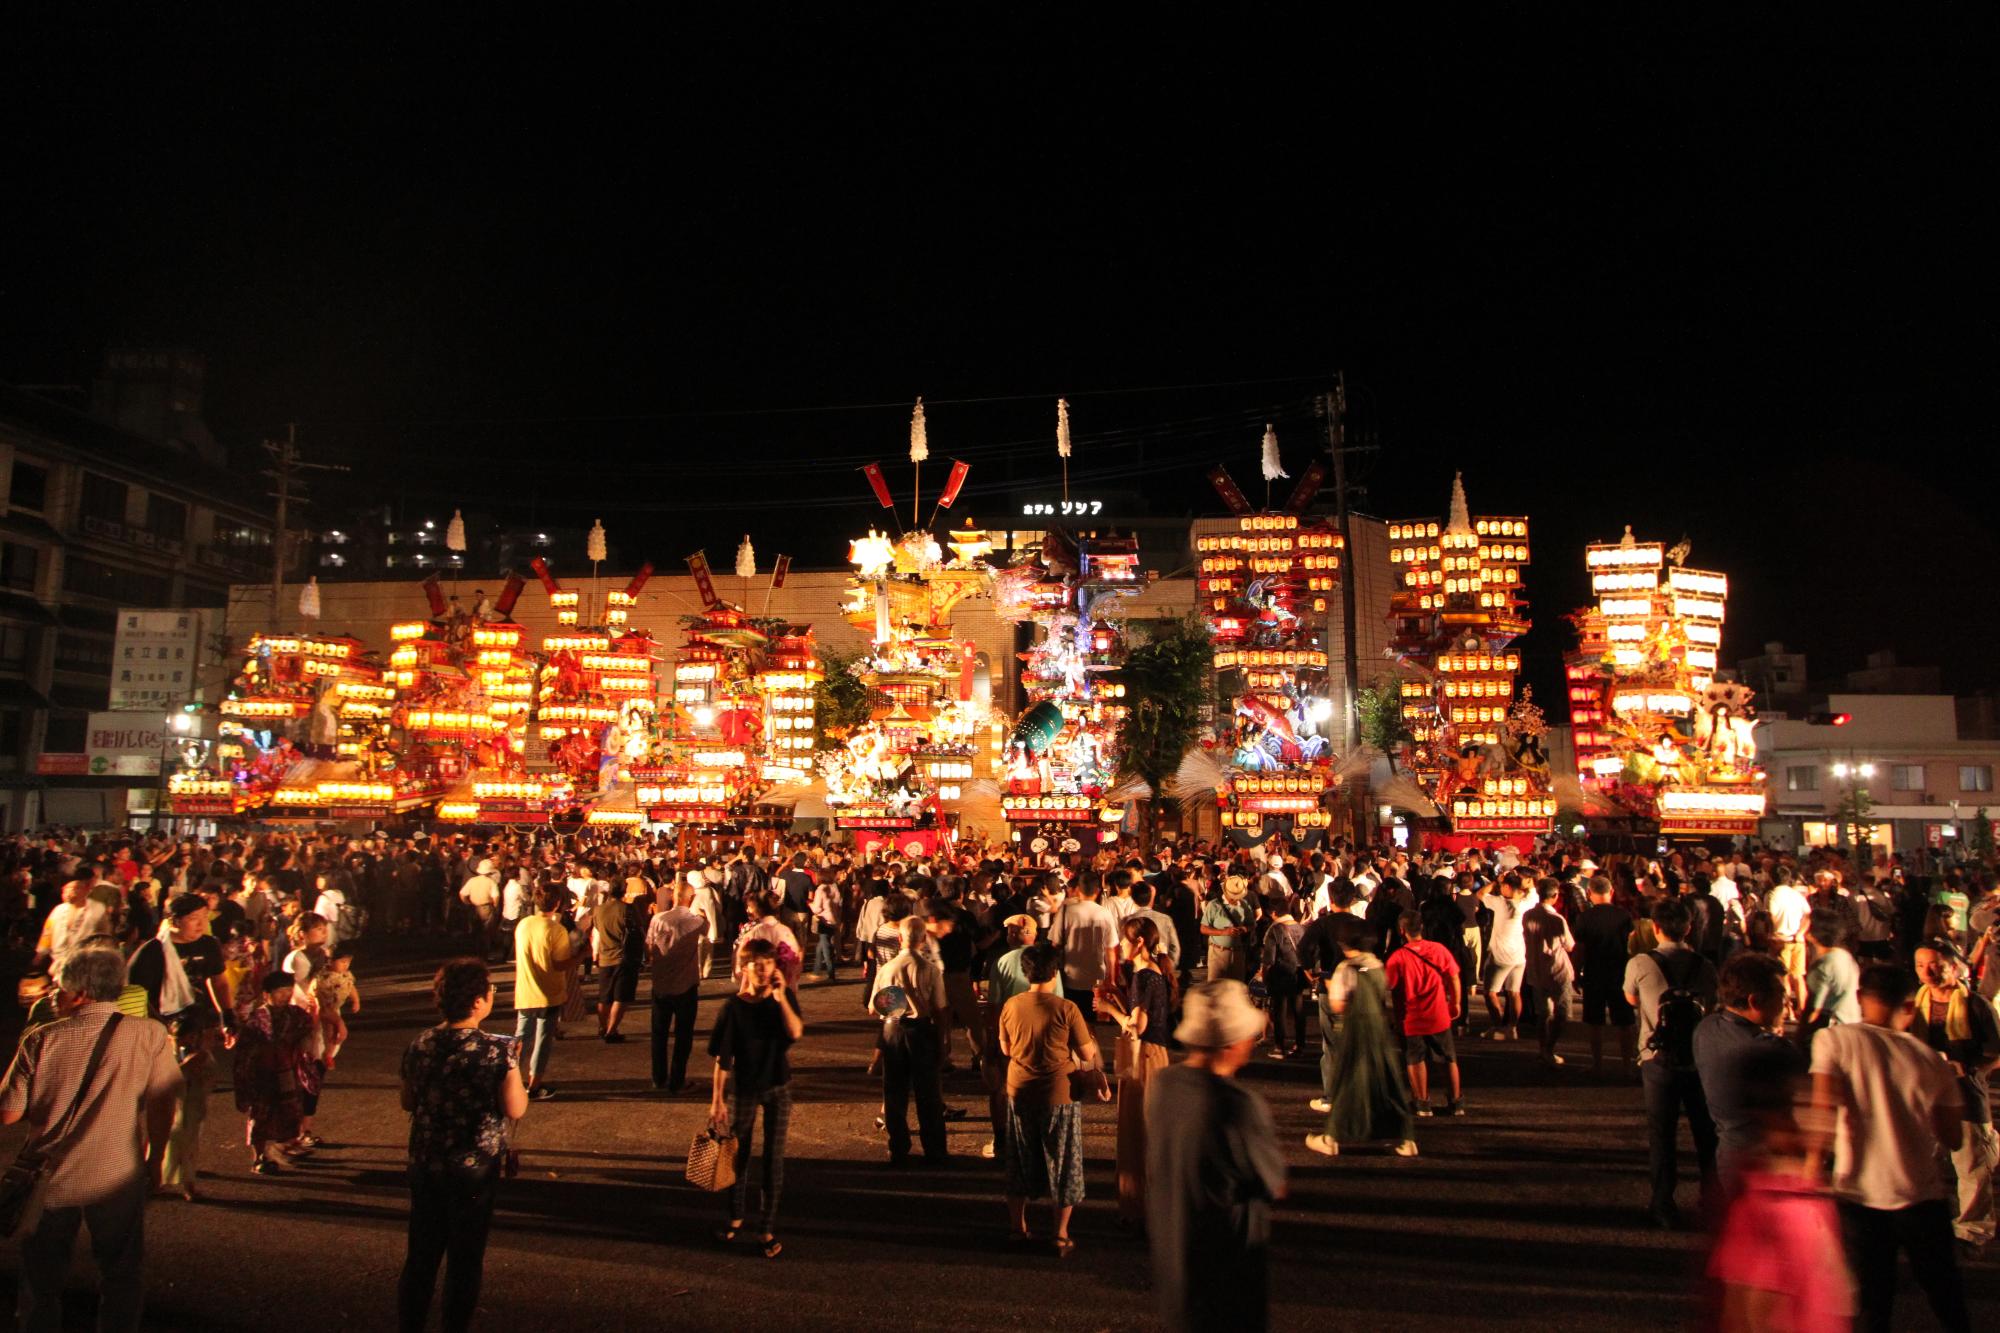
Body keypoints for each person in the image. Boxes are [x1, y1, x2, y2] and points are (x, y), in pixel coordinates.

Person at [1, 943, 181, 1333]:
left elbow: (8, 1112)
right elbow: (163, 1103)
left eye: (58, 988)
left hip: (51, 1176)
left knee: (41, 1276)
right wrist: (157, 1160)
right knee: (121, 1270)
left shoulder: (40, 1038)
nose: (53, 994)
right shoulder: (150, 1034)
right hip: (117, 1171)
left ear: (79, 993)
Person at [1808, 963, 1971, 1332]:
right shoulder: (1930, 1060)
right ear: (1909, 1006)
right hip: (1921, 1194)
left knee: (1871, 1304)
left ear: (1862, 998)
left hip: (1859, 1195)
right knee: (1947, 1297)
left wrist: (1810, 1173)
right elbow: (1953, 1138)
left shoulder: (1834, 1041)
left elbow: (1823, 1114)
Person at [1146, 981, 1286, 1333]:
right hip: (1228, 1263)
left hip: (1175, 1252)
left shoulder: (1164, 1085)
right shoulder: (1239, 1104)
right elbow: (1272, 1183)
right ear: (1231, 1043)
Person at [397, 958, 528, 1333]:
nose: (492, 996)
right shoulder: (495, 1051)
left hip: (426, 1160)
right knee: (464, 1259)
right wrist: (517, 1071)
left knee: (421, 1255)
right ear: (476, 1002)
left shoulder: (420, 1043)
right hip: (473, 1166)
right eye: (490, 990)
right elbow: (515, 1107)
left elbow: (408, 1100)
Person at [1705, 1041, 1856, 1331]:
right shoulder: (1766, 1206)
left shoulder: (1804, 1188)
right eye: (1808, 1105)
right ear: (1775, 1116)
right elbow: (1749, 1314)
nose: (1825, 1118)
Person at [998, 942, 1106, 1255]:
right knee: (1063, 1161)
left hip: (1019, 1088)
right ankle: (1060, 1235)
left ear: (1025, 971)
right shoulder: (1066, 1009)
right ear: (1055, 972)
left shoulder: (1011, 1005)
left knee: (1018, 1159)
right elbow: (1086, 1053)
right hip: (1059, 1092)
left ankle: (1018, 1228)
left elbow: (1005, 1049)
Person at [124, 892, 228, 1200]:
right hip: (161, 1038)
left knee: (193, 1111)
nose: (201, 925)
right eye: (194, 920)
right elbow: (135, 1000)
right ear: (173, 920)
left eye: (204, 918)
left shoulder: (209, 945)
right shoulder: (151, 953)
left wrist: (227, 1015)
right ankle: (154, 1166)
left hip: (197, 1034)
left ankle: (185, 1173)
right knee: (162, 1107)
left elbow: (218, 982)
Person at [1623, 897, 1719, 1229]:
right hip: (1698, 1057)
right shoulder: (1704, 966)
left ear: (1655, 927)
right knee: (1705, 1131)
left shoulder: (1640, 963)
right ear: (1689, 928)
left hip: (1656, 1055)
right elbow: (1713, 1003)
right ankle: (1711, 1200)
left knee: (1662, 1133)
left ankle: (1663, 1202)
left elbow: (1630, 998)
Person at [708, 937, 803, 1259]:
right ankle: (736, 1214)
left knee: (774, 1160)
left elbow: (795, 1032)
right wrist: (717, 1099)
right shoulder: (732, 1007)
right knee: (739, 1156)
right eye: (756, 964)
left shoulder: (783, 998)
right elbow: (722, 1058)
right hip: (744, 1087)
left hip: (779, 1085)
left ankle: (766, 1226)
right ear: (745, 968)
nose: (762, 970)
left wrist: (780, 997)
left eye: (767, 963)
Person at [1910, 939, 2000, 1249]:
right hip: (1924, 1095)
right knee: (1919, 1160)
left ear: (1954, 966)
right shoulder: (1915, 1003)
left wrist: (1973, 1069)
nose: (1927, 971)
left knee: (1972, 1166)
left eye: (1934, 964)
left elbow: (1996, 1052)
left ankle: (1973, 1229)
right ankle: (1921, 1224)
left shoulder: (1975, 1004)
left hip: (1965, 1096)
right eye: (1920, 965)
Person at [1691, 951, 1804, 1192]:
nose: (1786, 1003)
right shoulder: (1772, 1051)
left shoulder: (1706, 1028)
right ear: (1755, 1001)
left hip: (1727, 1154)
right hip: (1768, 1164)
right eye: (1781, 995)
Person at [1307, 918, 1417, 1158]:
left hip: (1355, 1030)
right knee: (1388, 1083)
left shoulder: (1347, 969)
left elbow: (1338, 1004)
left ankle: (1332, 1136)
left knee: (1347, 1083)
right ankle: (1406, 1136)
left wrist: (1328, 983)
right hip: (1378, 1030)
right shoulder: (1376, 965)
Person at [872, 915, 951, 1164]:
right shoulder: (929, 969)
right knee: (928, 1092)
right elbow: (940, 1008)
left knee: (894, 1091)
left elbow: (874, 1007)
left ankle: (898, 1146)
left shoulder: (888, 968)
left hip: (892, 1028)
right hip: (921, 1030)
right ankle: (934, 1148)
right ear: (923, 938)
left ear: (900, 938)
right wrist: (944, 1038)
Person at [1109, 916, 1173, 1222]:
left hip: (1143, 1056)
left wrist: (1111, 1011)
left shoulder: (1144, 976)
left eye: (1124, 939)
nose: (1120, 944)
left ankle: (1139, 1208)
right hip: (1157, 1055)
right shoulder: (1155, 974)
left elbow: (1138, 1025)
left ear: (1139, 943)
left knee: (1137, 1133)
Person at [1382, 910, 1463, 1117]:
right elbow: (1453, 977)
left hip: (1411, 1016)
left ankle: (1422, 1102)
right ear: (1422, 927)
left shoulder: (1398, 957)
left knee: (1415, 1058)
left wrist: (1389, 1017)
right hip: (1438, 1013)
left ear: (1402, 931)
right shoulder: (1439, 950)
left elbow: (1388, 986)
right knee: (1447, 1057)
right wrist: (1456, 1002)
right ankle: (1456, 1102)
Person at [513, 883, 580, 1101]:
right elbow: (560, 965)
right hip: (548, 992)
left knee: (521, 1038)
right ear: (558, 904)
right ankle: (534, 1084)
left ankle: (509, 1079)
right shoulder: (555, 930)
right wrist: (582, 955)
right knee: (542, 1040)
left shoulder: (523, 925)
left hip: (525, 989)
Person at [645, 877, 707, 1092]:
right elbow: (708, 928)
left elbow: (649, 945)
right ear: (691, 898)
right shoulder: (696, 921)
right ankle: (677, 1079)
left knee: (659, 1034)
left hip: (661, 981)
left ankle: (658, 1077)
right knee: (683, 1035)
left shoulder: (658, 919)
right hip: (686, 982)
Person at [1520, 878, 1576, 1068]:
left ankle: (1543, 1048)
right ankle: (1549, 1049)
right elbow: (1569, 945)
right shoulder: (1556, 919)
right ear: (1554, 896)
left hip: (1536, 968)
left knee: (1543, 1012)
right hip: (1557, 969)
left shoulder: (1528, 915)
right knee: (1561, 1013)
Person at [1050, 875, 1118, 1024]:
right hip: (1096, 977)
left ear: (1079, 890)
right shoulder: (1104, 913)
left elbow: (1055, 944)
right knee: (1090, 1024)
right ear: (1097, 891)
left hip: (1070, 976)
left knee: (1069, 1022)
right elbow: (1110, 950)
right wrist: (1111, 979)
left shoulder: (1066, 911)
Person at [1477, 874, 1531, 1040]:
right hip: (1519, 956)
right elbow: (1532, 891)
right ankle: (1512, 1028)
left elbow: (1480, 894)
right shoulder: (1525, 903)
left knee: (1490, 992)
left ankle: (1498, 1026)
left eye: (1502, 886)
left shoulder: (1501, 903)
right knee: (1514, 992)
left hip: (1500, 956)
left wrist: (1494, 882)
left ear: (1507, 887)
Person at [592, 874, 645, 1042]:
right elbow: (638, 931)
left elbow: (596, 931)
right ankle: (612, 1029)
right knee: (621, 996)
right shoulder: (627, 909)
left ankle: (602, 1026)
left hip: (604, 956)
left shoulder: (598, 910)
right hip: (624, 956)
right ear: (624, 891)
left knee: (604, 995)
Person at [1199, 875, 1256, 984]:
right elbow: (1203, 928)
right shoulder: (1214, 905)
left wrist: (1244, 929)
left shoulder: (1244, 905)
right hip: (1218, 953)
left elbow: (1252, 924)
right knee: (1215, 989)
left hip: (1238, 953)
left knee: (1236, 988)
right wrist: (1223, 932)